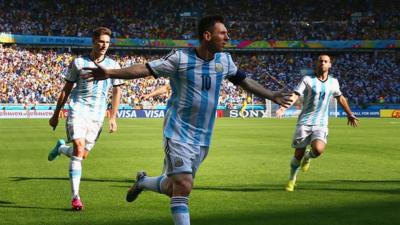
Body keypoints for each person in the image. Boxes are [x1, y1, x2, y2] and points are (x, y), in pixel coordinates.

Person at [84, 16, 292, 225]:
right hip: (177, 132)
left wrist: (271, 95)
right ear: (207, 36)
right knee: (184, 185)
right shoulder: (180, 59)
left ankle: (143, 182)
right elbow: (146, 68)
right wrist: (110, 72)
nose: (227, 38)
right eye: (223, 33)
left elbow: (244, 80)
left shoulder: (225, 61)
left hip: (203, 137)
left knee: (173, 188)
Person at [47, 27, 124, 210]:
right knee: (79, 148)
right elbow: (66, 89)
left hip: (97, 116)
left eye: (107, 42)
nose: (104, 45)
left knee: (81, 154)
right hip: (78, 110)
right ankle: (76, 198)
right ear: (93, 41)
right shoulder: (79, 62)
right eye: (101, 41)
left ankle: (61, 148)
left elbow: (117, 91)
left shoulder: (113, 65)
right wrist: (56, 113)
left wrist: (113, 117)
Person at [276, 54, 359, 192]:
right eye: (320, 61)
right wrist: (283, 108)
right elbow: (296, 94)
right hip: (304, 122)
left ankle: (309, 157)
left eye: (326, 61)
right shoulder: (307, 80)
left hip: (321, 123)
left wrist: (349, 114)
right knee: (298, 154)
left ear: (330, 65)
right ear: (316, 63)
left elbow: (341, 98)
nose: (323, 63)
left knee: (319, 150)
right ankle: (292, 180)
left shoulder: (334, 82)